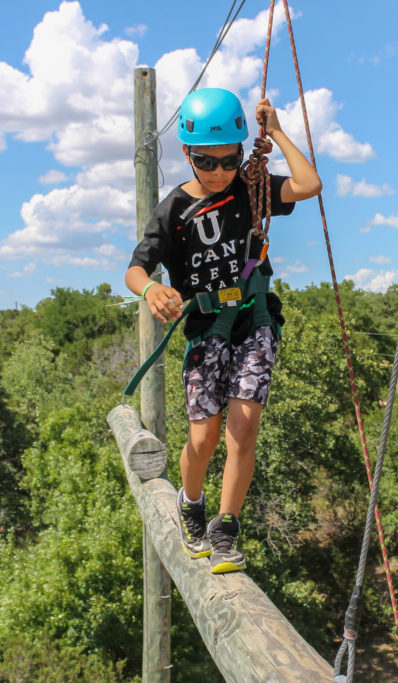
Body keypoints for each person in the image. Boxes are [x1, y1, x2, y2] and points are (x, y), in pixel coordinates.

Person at [125, 88, 321, 574]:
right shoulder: (173, 210)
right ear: (188, 155)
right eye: (205, 162)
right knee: (203, 436)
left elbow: (309, 183)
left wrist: (274, 130)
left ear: (240, 152)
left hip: (254, 318)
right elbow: (134, 269)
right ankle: (191, 502)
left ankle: (226, 526)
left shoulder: (251, 187)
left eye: (228, 160)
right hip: (206, 326)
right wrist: (151, 290)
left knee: (245, 425)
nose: (217, 172)